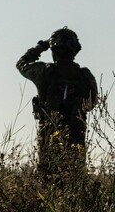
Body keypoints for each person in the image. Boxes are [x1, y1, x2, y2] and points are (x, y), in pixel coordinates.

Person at [16, 27, 98, 178]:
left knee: (46, 176)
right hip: (76, 133)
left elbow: (21, 64)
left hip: (48, 132)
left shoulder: (44, 71)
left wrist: (42, 46)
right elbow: (92, 103)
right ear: (75, 50)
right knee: (76, 177)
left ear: (54, 50)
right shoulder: (85, 76)